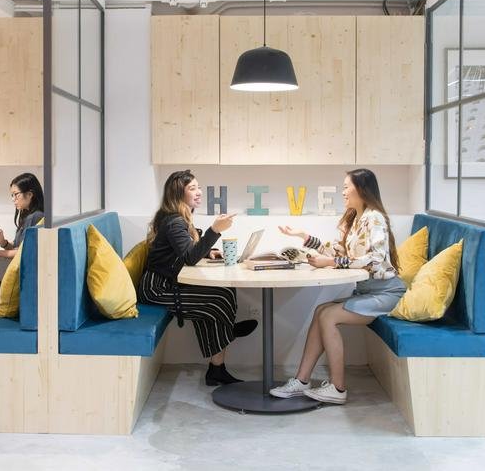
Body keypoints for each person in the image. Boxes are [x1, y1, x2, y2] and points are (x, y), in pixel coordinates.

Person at [270, 168, 405, 405]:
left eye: (346, 187)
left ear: (361, 189)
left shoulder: (375, 218)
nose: (342, 192)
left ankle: (338, 387)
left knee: (328, 316)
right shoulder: (355, 219)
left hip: (386, 293)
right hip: (368, 291)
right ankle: (302, 380)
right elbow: (336, 251)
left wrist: (331, 263)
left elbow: (376, 261)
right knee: (321, 310)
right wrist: (304, 237)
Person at [139, 170, 258, 386]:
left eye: (198, 187)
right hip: (157, 289)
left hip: (168, 283)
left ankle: (217, 366)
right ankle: (226, 336)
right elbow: (190, 257)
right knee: (219, 298)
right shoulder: (174, 222)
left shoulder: (178, 218)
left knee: (224, 291)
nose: (199, 192)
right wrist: (214, 230)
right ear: (178, 194)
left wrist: (208, 251)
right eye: (192, 188)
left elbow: (185, 251)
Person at [0, 173, 45, 312]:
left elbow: (22, 252)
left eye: (16, 195)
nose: (13, 199)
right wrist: (3, 242)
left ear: (29, 194)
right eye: (12, 195)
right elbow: (20, 246)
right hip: (21, 275)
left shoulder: (36, 217)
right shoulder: (28, 215)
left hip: (26, 278)